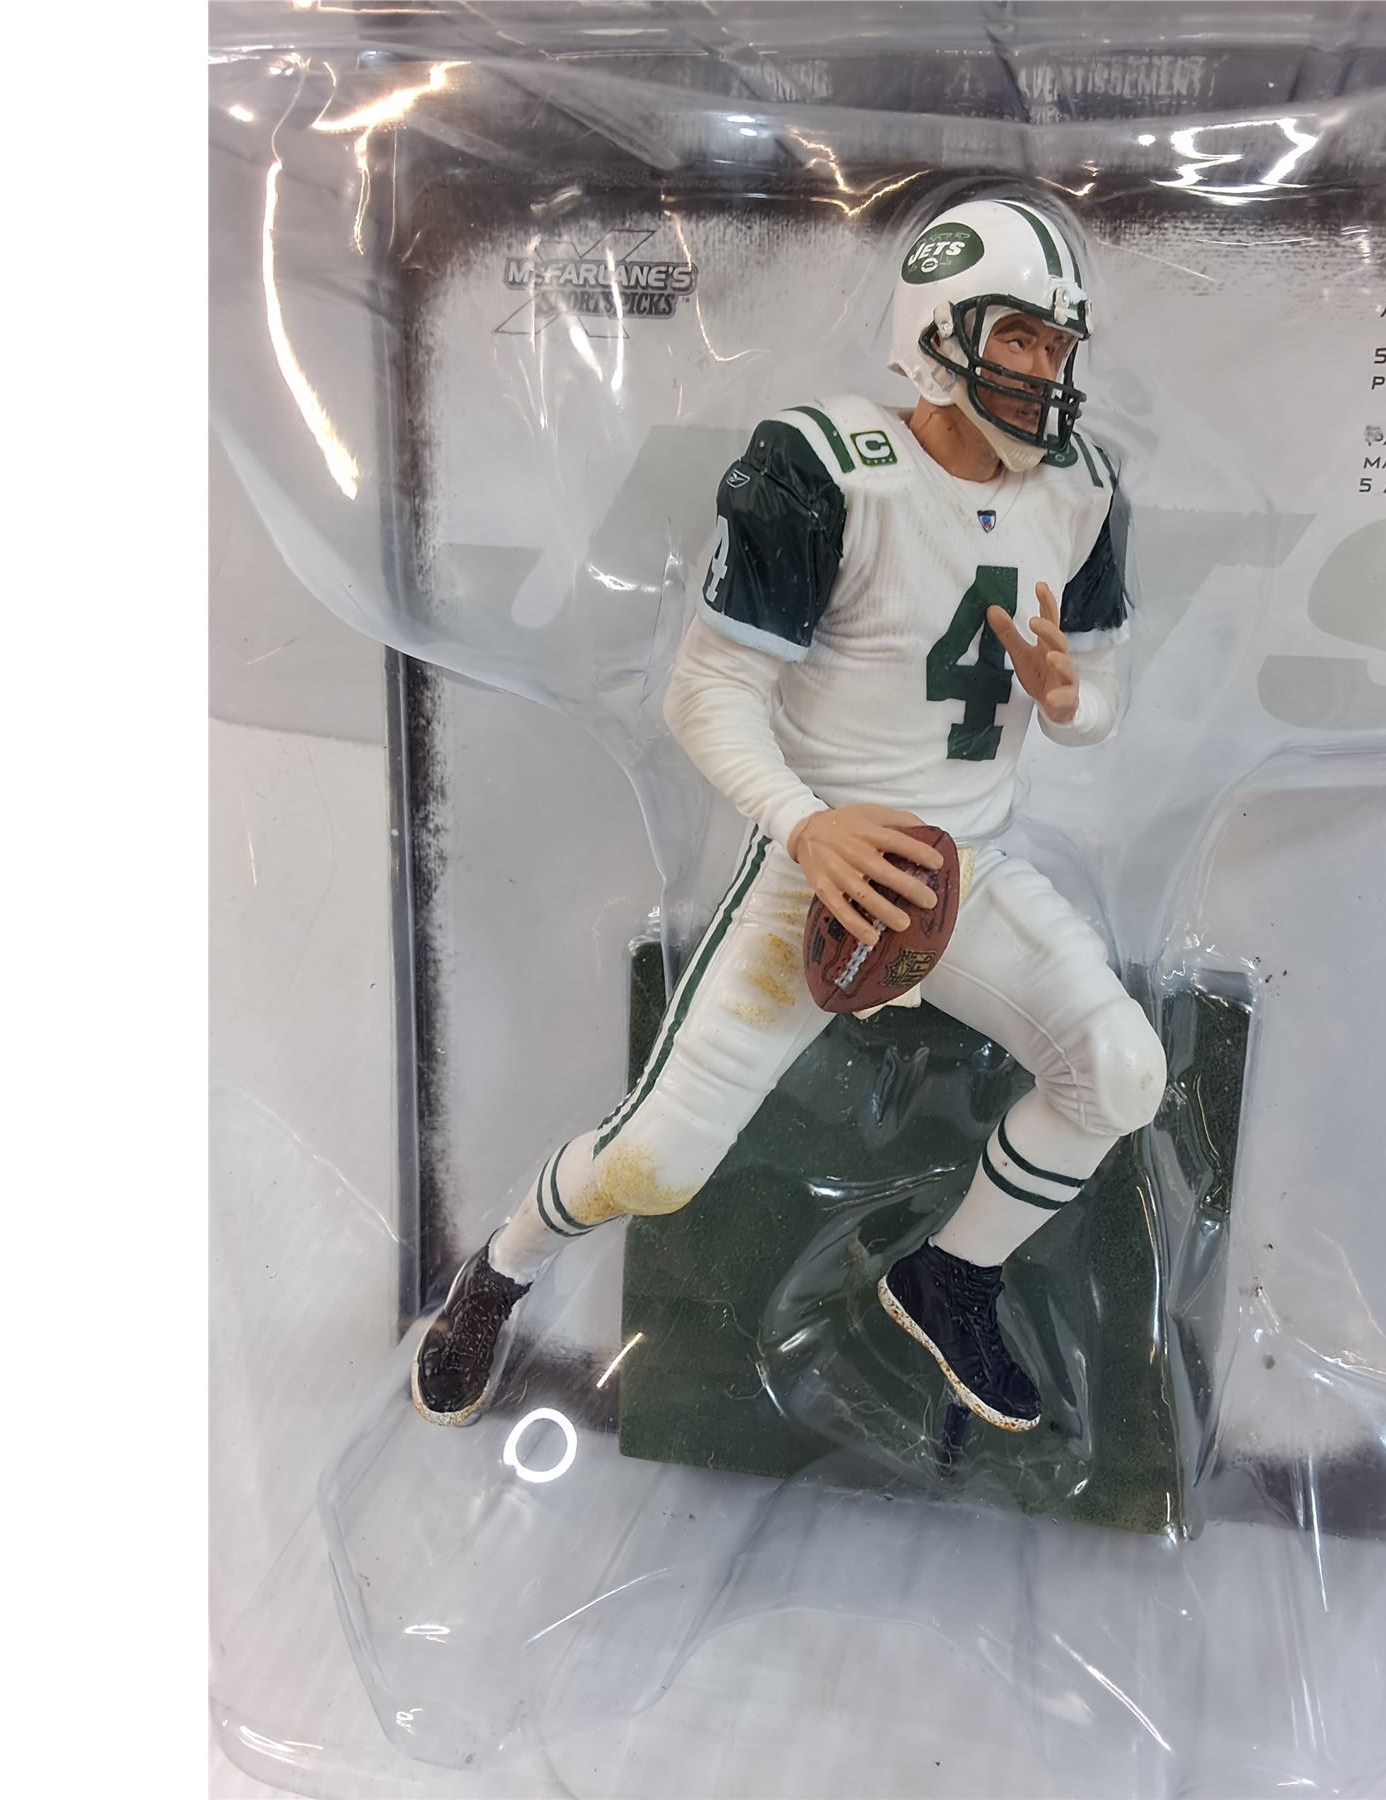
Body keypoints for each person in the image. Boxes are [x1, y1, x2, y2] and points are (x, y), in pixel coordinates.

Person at [412, 196, 1164, 1434]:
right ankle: (503, 1266)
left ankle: (951, 1275)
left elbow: (1100, 699)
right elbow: (706, 691)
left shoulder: (1080, 488)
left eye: (1058, 344)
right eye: (1019, 338)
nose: (1045, 370)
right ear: (939, 334)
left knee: (1122, 1070)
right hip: (815, 870)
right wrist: (809, 826)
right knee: (657, 1164)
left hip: (967, 865)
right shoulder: (828, 468)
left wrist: (1069, 698)